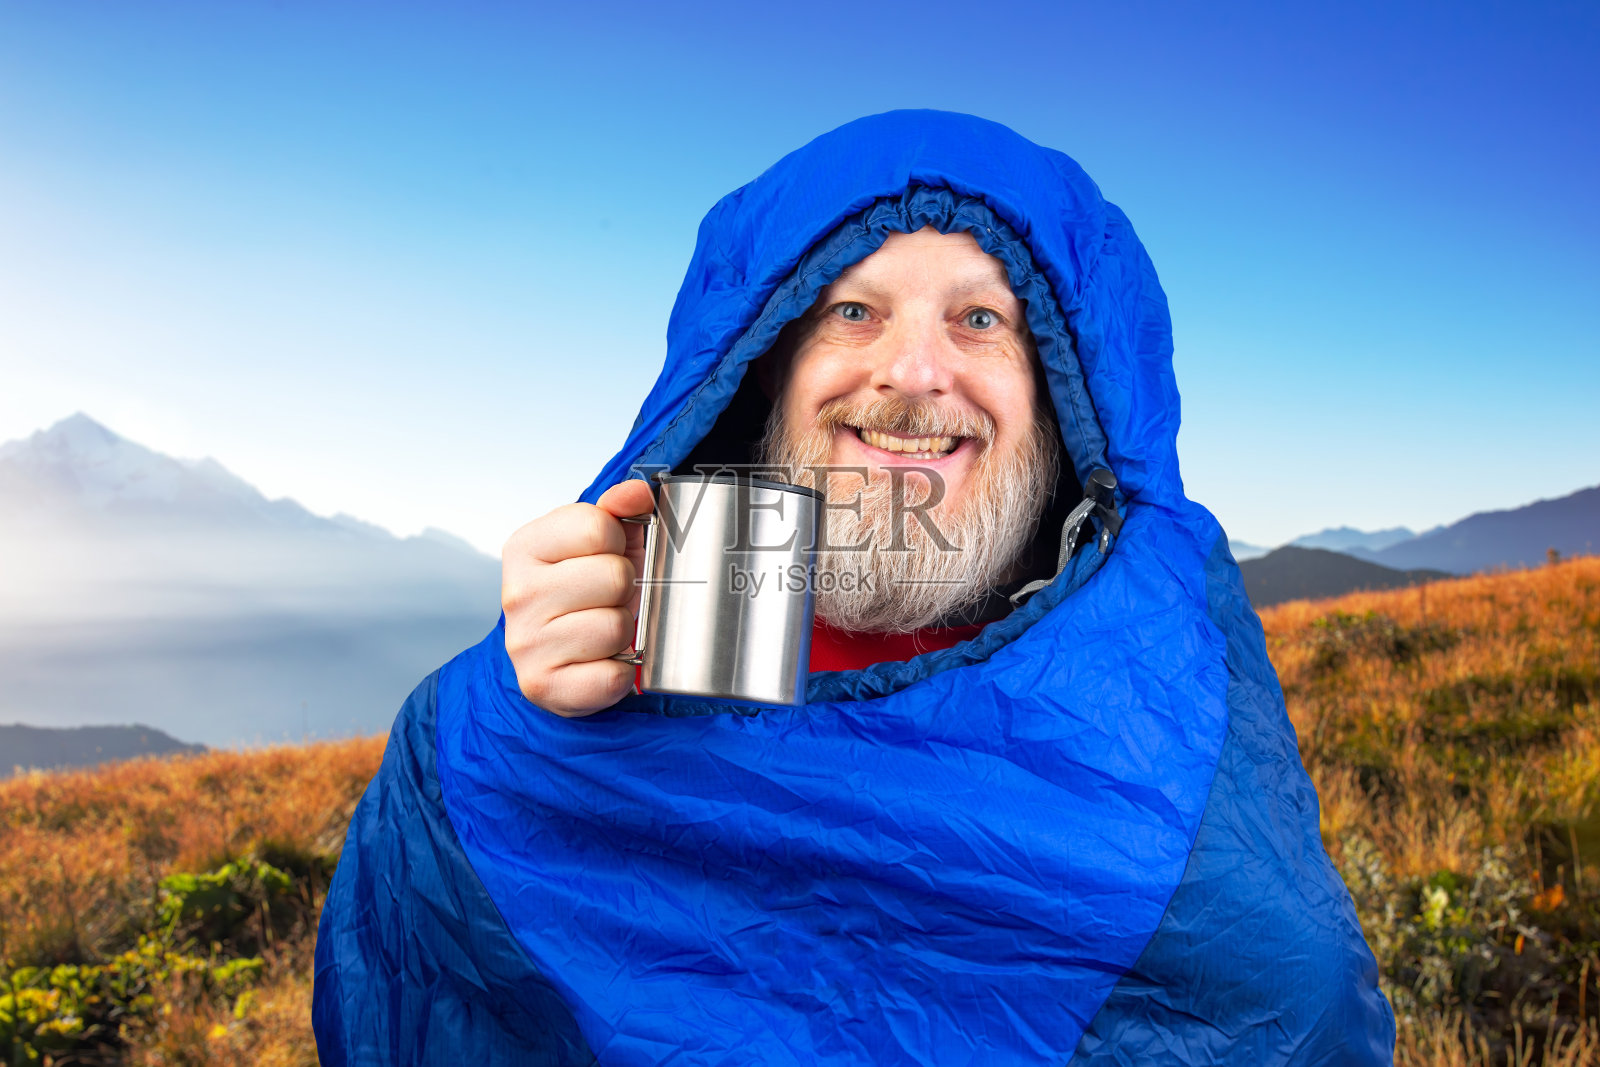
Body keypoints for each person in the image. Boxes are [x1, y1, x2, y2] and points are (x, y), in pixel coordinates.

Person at [313, 110, 1395, 1066]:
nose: (913, 373)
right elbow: (426, 973)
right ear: (763, 365)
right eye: (851, 312)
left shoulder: (1161, 667)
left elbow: (1282, 998)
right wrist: (506, 721)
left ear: (1063, 390)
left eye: (981, 319)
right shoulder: (642, 630)